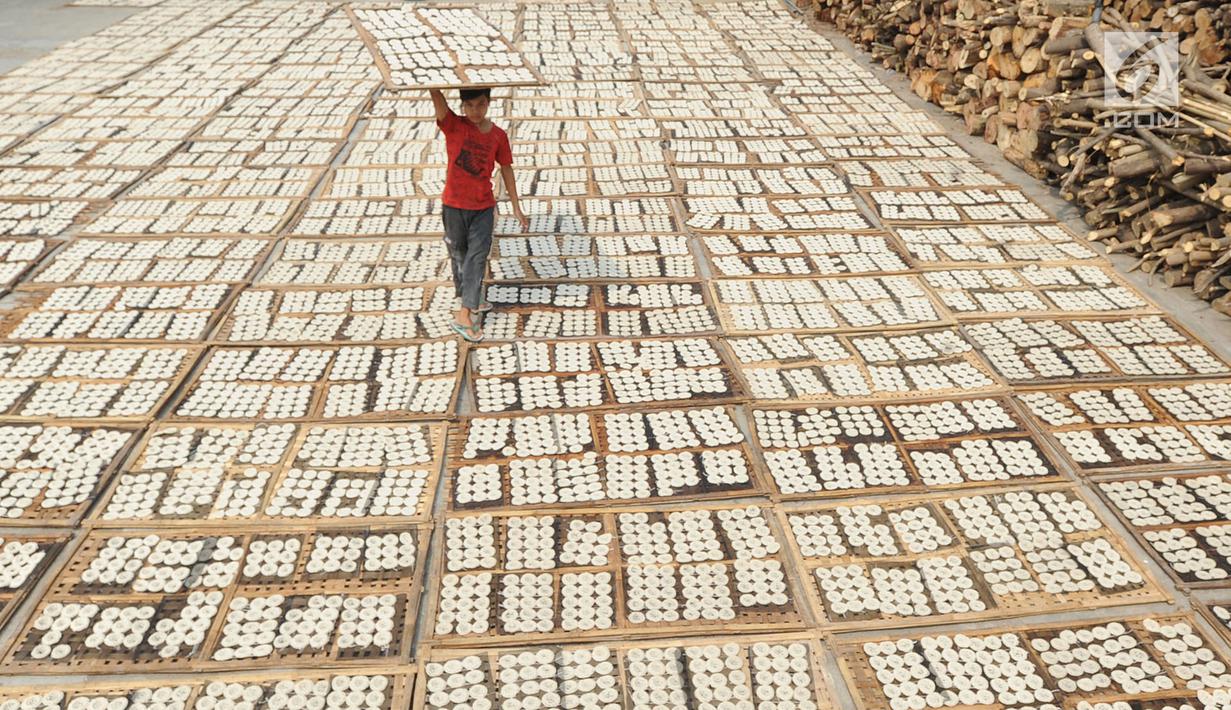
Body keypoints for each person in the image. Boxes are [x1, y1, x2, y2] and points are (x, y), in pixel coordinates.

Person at [430, 86, 529, 343]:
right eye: (470, 106)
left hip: (483, 208)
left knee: (476, 257)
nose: (475, 111)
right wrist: (431, 83)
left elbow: (506, 169)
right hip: (453, 205)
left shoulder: (498, 136)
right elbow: (438, 100)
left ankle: (465, 314)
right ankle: (469, 295)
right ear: (463, 106)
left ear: (488, 103)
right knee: (459, 254)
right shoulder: (454, 126)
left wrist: (516, 206)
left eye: (481, 104)